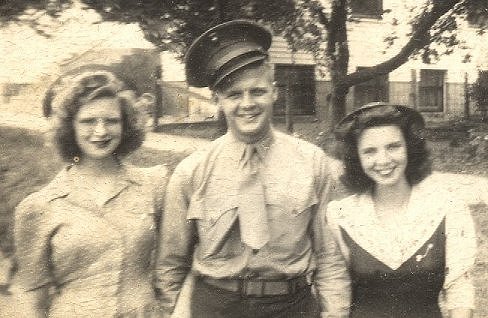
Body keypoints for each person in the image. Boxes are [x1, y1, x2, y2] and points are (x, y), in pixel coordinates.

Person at [156, 20, 350, 318]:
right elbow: (170, 264)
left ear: (274, 92)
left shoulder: (312, 161)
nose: (247, 104)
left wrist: (334, 313)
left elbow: (330, 256)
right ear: (217, 100)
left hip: (291, 305)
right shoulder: (191, 171)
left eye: (257, 91)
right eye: (234, 94)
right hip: (215, 305)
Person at [13, 68, 168, 317]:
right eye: (88, 121)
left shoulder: (154, 185)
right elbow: (34, 303)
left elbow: (171, 268)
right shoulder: (39, 207)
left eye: (111, 120)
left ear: (125, 124)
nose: (101, 131)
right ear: (69, 127)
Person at [327, 102, 477, 318]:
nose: (383, 160)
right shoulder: (340, 215)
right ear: (356, 159)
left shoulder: (448, 208)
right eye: (370, 151)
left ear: (409, 146)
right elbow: (335, 292)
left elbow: (460, 291)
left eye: (393, 146)